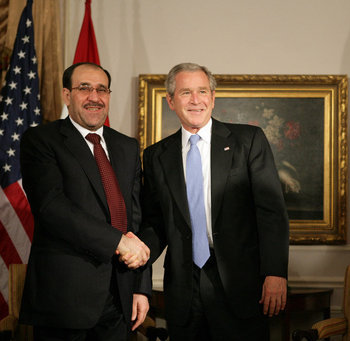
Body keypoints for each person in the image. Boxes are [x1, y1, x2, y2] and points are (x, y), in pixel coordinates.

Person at [139, 62, 290, 341]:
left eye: (202, 91)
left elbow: (271, 214)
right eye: (185, 93)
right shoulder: (156, 156)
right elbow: (156, 222)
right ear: (171, 101)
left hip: (241, 285)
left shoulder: (248, 141)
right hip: (184, 289)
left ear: (213, 97)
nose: (196, 100)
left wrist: (275, 273)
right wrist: (136, 253)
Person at [19, 62, 151, 340]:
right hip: (66, 300)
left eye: (101, 89)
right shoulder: (41, 140)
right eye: (84, 88)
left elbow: (135, 220)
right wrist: (118, 242)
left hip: (120, 297)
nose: (94, 96)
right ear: (67, 95)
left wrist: (140, 287)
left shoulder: (126, 146)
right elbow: (52, 208)